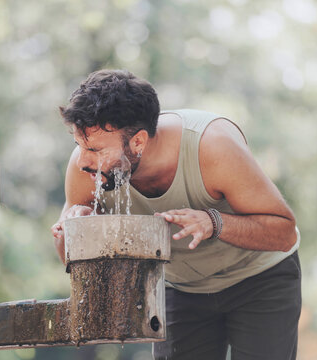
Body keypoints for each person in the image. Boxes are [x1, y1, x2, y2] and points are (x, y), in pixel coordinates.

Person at [51, 69, 301, 360]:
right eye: (79, 145)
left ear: (138, 142)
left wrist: (214, 222)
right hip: (179, 288)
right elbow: (67, 256)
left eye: (94, 149)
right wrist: (73, 230)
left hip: (259, 279)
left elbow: (284, 232)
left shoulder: (212, 147)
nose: (82, 160)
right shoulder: (86, 167)